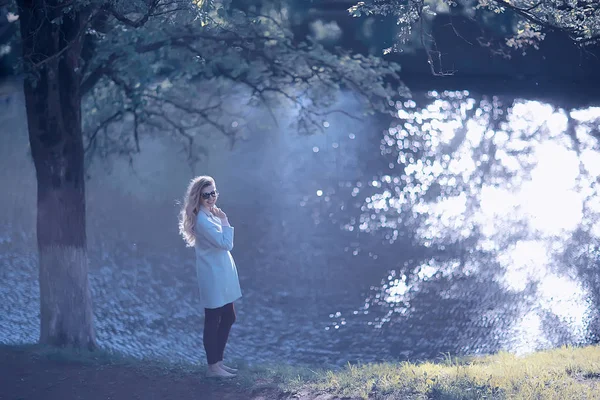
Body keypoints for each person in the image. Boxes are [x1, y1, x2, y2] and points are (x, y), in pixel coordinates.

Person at [179, 176, 242, 378]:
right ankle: (213, 367)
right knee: (213, 318)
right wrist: (225, 220)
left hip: (221, 272)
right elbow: (226, 244)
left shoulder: (210, 214)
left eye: (213, 192)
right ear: (198, 197)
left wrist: (220, 218)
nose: (211, 197)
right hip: (213, 275)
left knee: (228, 316)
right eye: (206, 194)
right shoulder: (203, 221)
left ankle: (218, 363)